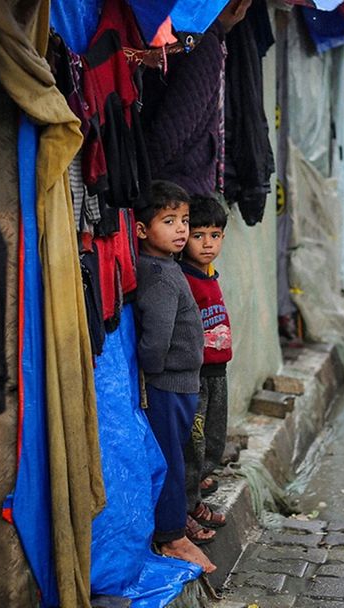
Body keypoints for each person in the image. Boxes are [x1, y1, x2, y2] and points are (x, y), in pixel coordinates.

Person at [134, 180, 215, 572]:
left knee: (176, 455)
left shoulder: (165, 265)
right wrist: (151, 372)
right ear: (140, 230)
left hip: (179, 384)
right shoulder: (162, 276)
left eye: (183, 220)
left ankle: (173, 524)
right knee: (170, 460)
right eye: (169, 221)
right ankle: (171, 536)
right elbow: (155, 341)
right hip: (168, 386)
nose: (182, 229)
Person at [179, 194, 232, 542]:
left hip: (217, 372)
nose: (208, 243)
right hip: (195, 375)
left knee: (213, 438)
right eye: (199, 235)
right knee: (192, 444)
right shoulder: (184, 279)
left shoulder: (210, 274)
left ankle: (196, 493)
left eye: (214, 235)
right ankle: (184, 509)